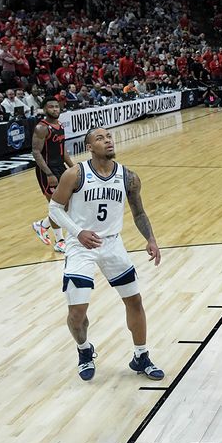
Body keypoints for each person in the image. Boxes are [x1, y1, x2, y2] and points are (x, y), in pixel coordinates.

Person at [47, 127, 164, 381]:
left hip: (112, 245)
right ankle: (84, 350)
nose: (107, 140)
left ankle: (141, 355)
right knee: (77, 314)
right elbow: (54, 209)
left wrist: (151, 239)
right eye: (99, 138)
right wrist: (77, 232)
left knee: (134, 300)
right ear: (89, 146)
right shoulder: (75, 174)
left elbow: (139, 213)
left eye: (109, 136)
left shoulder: (128, 177)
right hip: (81, 247)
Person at [31, 97, 74, 253]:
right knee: (57, 206)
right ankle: (60, 241)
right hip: (46, 170)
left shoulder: (60, 125)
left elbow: (63, 152)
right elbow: (36, 152)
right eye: (51, 107)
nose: (55, 109)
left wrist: (74, 168)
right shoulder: (41, 128)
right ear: (45, 109)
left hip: (60, 167)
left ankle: (42, 225)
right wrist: (48, 173)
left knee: (68, 205)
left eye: (57, 106)